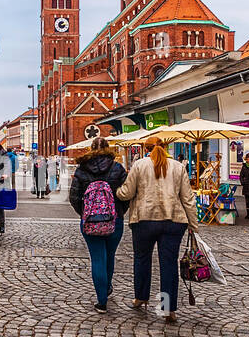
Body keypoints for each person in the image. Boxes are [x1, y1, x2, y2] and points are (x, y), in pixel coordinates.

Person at [116, 143, 200, 324]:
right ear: (166, 148)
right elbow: (188, 198)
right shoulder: (178, 167)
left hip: (144, 220)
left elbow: (126, 193)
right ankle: (168, 309)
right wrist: (193, 224)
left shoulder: (139, 165)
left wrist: (117, 190)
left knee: (142, 259)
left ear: (147, 148)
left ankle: (141, 297)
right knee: (169, 264)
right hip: (173, 220)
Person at [69, 137, 130, 311]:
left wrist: (85, 214)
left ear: (90, 149)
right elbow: (126, 194)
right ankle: (107, 285)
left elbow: (74, 197)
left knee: (97, 258)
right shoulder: (117, 168)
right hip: (114, 219)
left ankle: (101, 300)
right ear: (108, 148)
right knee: (109, 256)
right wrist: (119, 212)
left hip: (90, 222)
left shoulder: (82, 169)